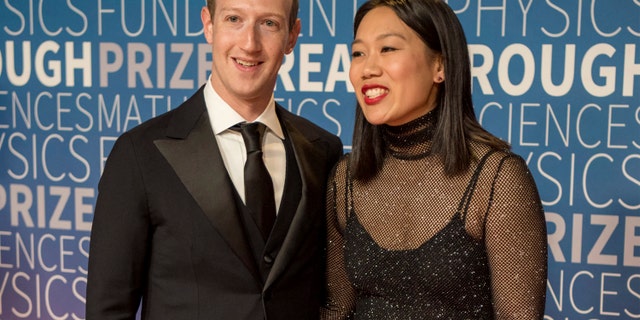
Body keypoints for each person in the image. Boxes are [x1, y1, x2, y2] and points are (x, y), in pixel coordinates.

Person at [85, 0, 343, 318]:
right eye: (234, 18)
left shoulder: (323, 151)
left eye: (269, 24)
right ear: (208, 24)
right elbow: (108, 310)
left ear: (292, 36)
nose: (249, 44)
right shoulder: (139, 154)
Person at [321, 0, 548, 319]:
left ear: (440, 65)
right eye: (358, 53)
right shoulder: (345, 179)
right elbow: (337, 309)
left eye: (387, 49)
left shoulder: (497, 179)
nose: (367, 68)